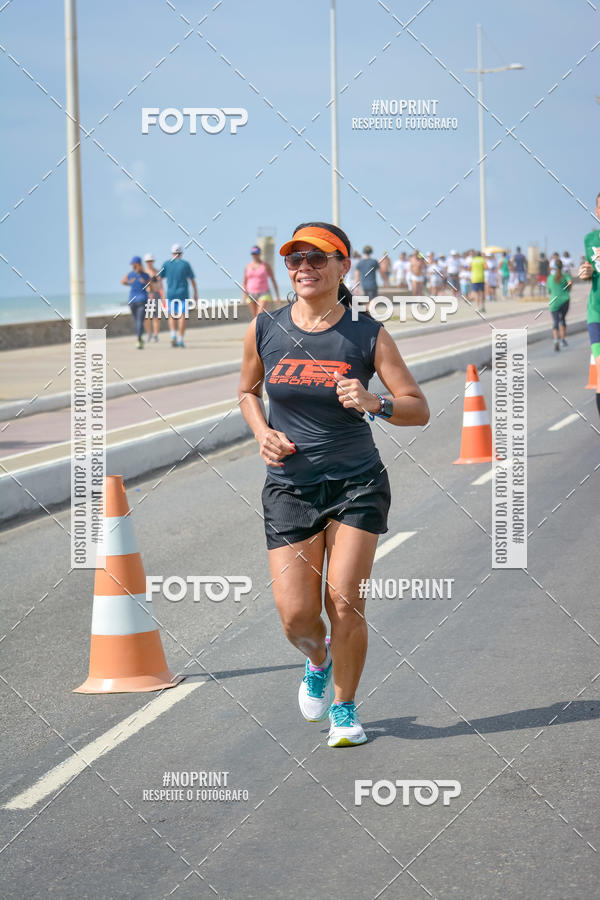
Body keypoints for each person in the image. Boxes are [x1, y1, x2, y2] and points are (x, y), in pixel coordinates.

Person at [238, 221, 429, 748]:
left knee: (344, 602)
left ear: (343, 266)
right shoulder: (265, 328)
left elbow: (418, 408)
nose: (305, 267)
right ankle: (318, 659)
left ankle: (344, 709)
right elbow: (247, 391)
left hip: (356, 484)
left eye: (318, 258)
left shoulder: (367, 334)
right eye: (295, 259)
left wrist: (375, 402)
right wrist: (262, 432)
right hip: (289, 488)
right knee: (297, 617)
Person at [578, 191, 600, 419]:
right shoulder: (590, 240)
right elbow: (590, 273)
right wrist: (586, 273)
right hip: (597, 313)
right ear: (596, 211)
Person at [159, 244, 198, 348]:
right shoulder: (185, 264)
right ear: (181, 253)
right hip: (183, 294)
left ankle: (173, 336)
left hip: (171, 294)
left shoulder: (166, 264)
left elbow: (159, 279)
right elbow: (192, 280)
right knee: (182, 316)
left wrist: (162, 294)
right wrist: (195, 293)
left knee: (172, 316)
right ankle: (180, 339)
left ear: (172, 253)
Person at [242, 245, 280, 318]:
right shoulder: (247, 267)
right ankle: (259, 326)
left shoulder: (266, 266)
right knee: (255, 317)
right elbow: (244, 282)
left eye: (256, 253)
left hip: (264, 293)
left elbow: (273, 280)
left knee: (259, 315)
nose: (255, 255)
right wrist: (244, 296)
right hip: (250, 294)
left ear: (259, 254)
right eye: (253, 254)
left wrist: (277, 296)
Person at [121, 256, 150, 349]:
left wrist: (130, 283)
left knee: (137, 321)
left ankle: (139, 339)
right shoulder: (144, 275)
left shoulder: (131, 274)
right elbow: (151, 287)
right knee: (139, 321)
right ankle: (139, 339)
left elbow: (123, 281)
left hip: (134, 300)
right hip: (140, 300)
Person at [547, 259, 571, 351]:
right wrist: (568, 289)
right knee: (562, 319)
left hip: (554, 302)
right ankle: (563, 340)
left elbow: (549, 291)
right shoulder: (566, 276)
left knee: (555, 321)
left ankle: (556, 340)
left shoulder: (550, 278)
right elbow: (570, 283)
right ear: (562, 267)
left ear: (554, 267)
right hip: (565, 300)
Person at [143, 253, 164, 342]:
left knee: (156, 316)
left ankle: (155, 335)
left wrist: (163, 297)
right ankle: (149, 333)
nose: (149, 262)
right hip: (146, 295)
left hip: (156, 295)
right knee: (146, 317)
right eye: (148, 261)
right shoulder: (143, 272)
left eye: (151, 261)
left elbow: (161, 285)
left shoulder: (157, 271)